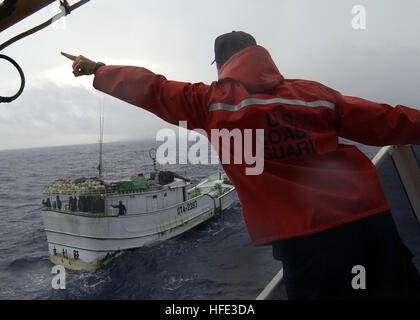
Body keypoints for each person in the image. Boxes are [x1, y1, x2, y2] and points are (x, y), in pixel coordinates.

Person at [61, 31, 420, 299]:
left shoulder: (209, 102)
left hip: (306, 243)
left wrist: (98, 69)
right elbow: (387, 120)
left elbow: (152, 88)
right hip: (371, 223)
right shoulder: (313, 94)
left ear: (222, 66)